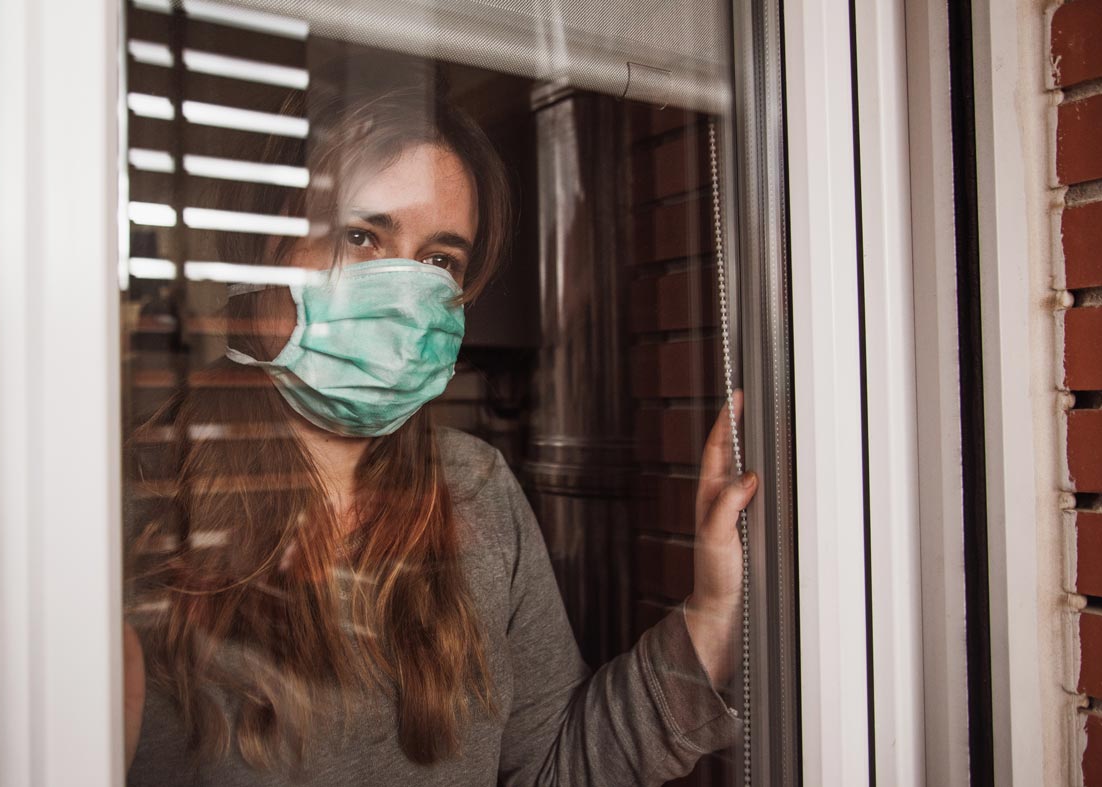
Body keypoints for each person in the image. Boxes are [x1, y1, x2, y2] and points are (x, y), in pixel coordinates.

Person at [122, 58, 759, 786]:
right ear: (256, 254)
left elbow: (549, 765)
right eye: (361, 235)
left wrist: (712, 616)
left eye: (438, 259)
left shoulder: (474, 486)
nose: (404, 290)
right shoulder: (133, 508)